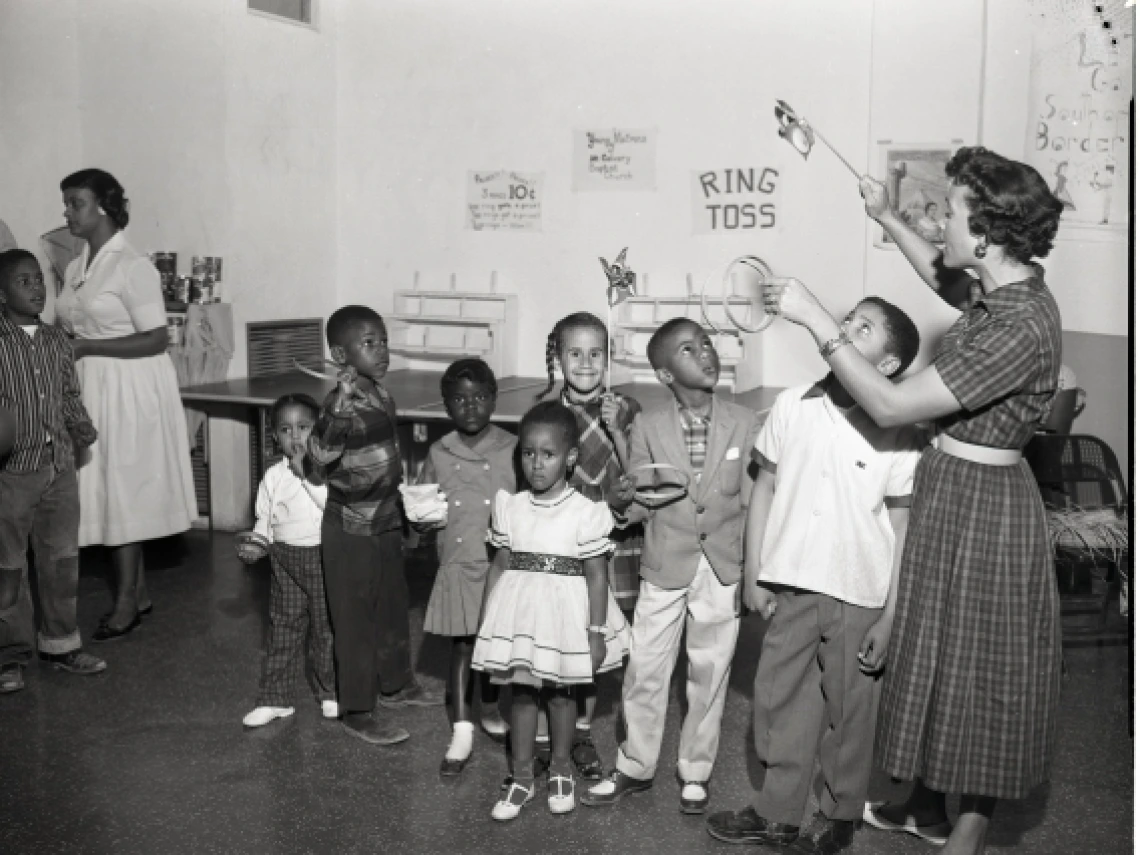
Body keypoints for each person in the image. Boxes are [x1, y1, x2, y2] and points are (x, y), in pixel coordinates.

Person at [764, 146, 1064, 855]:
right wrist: (887, 215)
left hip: (986, 507)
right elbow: (943, 274)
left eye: (949, 211)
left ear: (986, 232)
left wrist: (816, 318)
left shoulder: (1020, 324)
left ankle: (967, 831)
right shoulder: (1006, 291)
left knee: (983, 670)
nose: (938, 221)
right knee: (937, 658)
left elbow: (893, 402)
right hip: (954, 490)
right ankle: (927, 806)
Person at [706, 297, 922, 853]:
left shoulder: (900, 432)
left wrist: (892, 616)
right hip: (792, 583)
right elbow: (764, 490)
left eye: (864, 328)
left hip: (859, 592)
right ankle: (777, 812)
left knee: (850, 711)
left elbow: (902, 526)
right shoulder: (791, 406)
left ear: (890, 367)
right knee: (779, 700)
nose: (847, 327)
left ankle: (838, 815)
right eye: (849, 317)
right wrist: (756, 573)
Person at [582, 318, 762, 815]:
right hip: (666, 563)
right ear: (664, 374)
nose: (704, 354)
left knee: (710, 671)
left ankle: (695, 770)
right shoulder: (648, 426)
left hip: (722, 566)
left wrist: (752, 570)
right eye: (687, 349)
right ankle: (636, 765)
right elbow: (641, 501)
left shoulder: (745, 422)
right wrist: (621, 502)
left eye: (706, 343)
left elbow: (752, 503)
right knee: (645, 669)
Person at [54, 169, 197, 640]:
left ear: (102, 206)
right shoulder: (79, 265)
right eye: (67, 203)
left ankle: (125, 604)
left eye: (76, 202)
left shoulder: (132, 265)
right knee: (107, 485)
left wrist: (89, 348)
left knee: (123, 487)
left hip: (131, 386)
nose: (68, 212)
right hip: (95, 382)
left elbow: (157, 338)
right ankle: (137, 594)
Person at [471, 401, 630, 821]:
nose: (536, 464)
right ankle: (521, 777)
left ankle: (561, 770)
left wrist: (595, 631)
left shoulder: (585, 512)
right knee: (522, 694)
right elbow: (500, 565)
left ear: (570, 457)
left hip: (565, 616)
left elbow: (596, 576)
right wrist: (488, 621)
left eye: (548, 454)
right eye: (528, 453)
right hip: (521, 616)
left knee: (561, 696)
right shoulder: (511, 507)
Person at [308, 305, 440, 747]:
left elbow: (389, 461)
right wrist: (340, 408)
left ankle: (396, 684)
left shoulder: (382, 394)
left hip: (384, 520)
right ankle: (358, 709)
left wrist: (407, 517)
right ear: (340, 355)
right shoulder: (336, 405)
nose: (381, 350)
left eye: (383, 340)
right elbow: (319, 460)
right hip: (349, 530)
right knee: (355, 621)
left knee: (391, 608)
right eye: (369, 343)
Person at [535, 311, 642, 780]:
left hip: (616, 546)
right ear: (558, 357)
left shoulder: (626, 409)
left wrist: (618, 428)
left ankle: (583, 729)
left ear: (608, 357)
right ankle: (551, 737)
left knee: (601, 646)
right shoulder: (546, 415)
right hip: (565, 547)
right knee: (560, 641)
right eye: (574, 353)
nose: (585, 363)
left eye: (595, 353)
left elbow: (638, 475)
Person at [0, 250, 106, 692]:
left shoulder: (56, 339)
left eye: (39, 280)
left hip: (59, 466)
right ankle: (10, 655)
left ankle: (61, 644)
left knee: (61, 561)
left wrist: (81, 426)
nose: (37, 288)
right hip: (11, 472)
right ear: (1, 293)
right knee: (8, 567)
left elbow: (67, 393)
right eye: (24, 282)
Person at [416, 358, 514, 775]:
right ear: (445, 405)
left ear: (493, 399)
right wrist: (419, 518)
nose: (470, 406)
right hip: (458, 564)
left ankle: (489, 707)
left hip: (501, 565)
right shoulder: (439, 453)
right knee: (462, 646)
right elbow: (423, 505)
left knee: (493, 646)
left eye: (479, 397)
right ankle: (461, 728)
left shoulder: (512, 446)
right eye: (459, 399)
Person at [235, 393, 337, 728]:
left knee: (326, 632)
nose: (295, 437)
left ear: (319, 429)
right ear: (274, 436)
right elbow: (265, 518)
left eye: (304, 427)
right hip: (284, 564)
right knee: (283, 631)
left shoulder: (327, 471)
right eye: (285, 429)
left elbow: (330, 507)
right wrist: (257, 545)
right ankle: (275, 699)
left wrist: (306, 471)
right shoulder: (273, 476)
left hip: (324, 560)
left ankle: (331, 693)